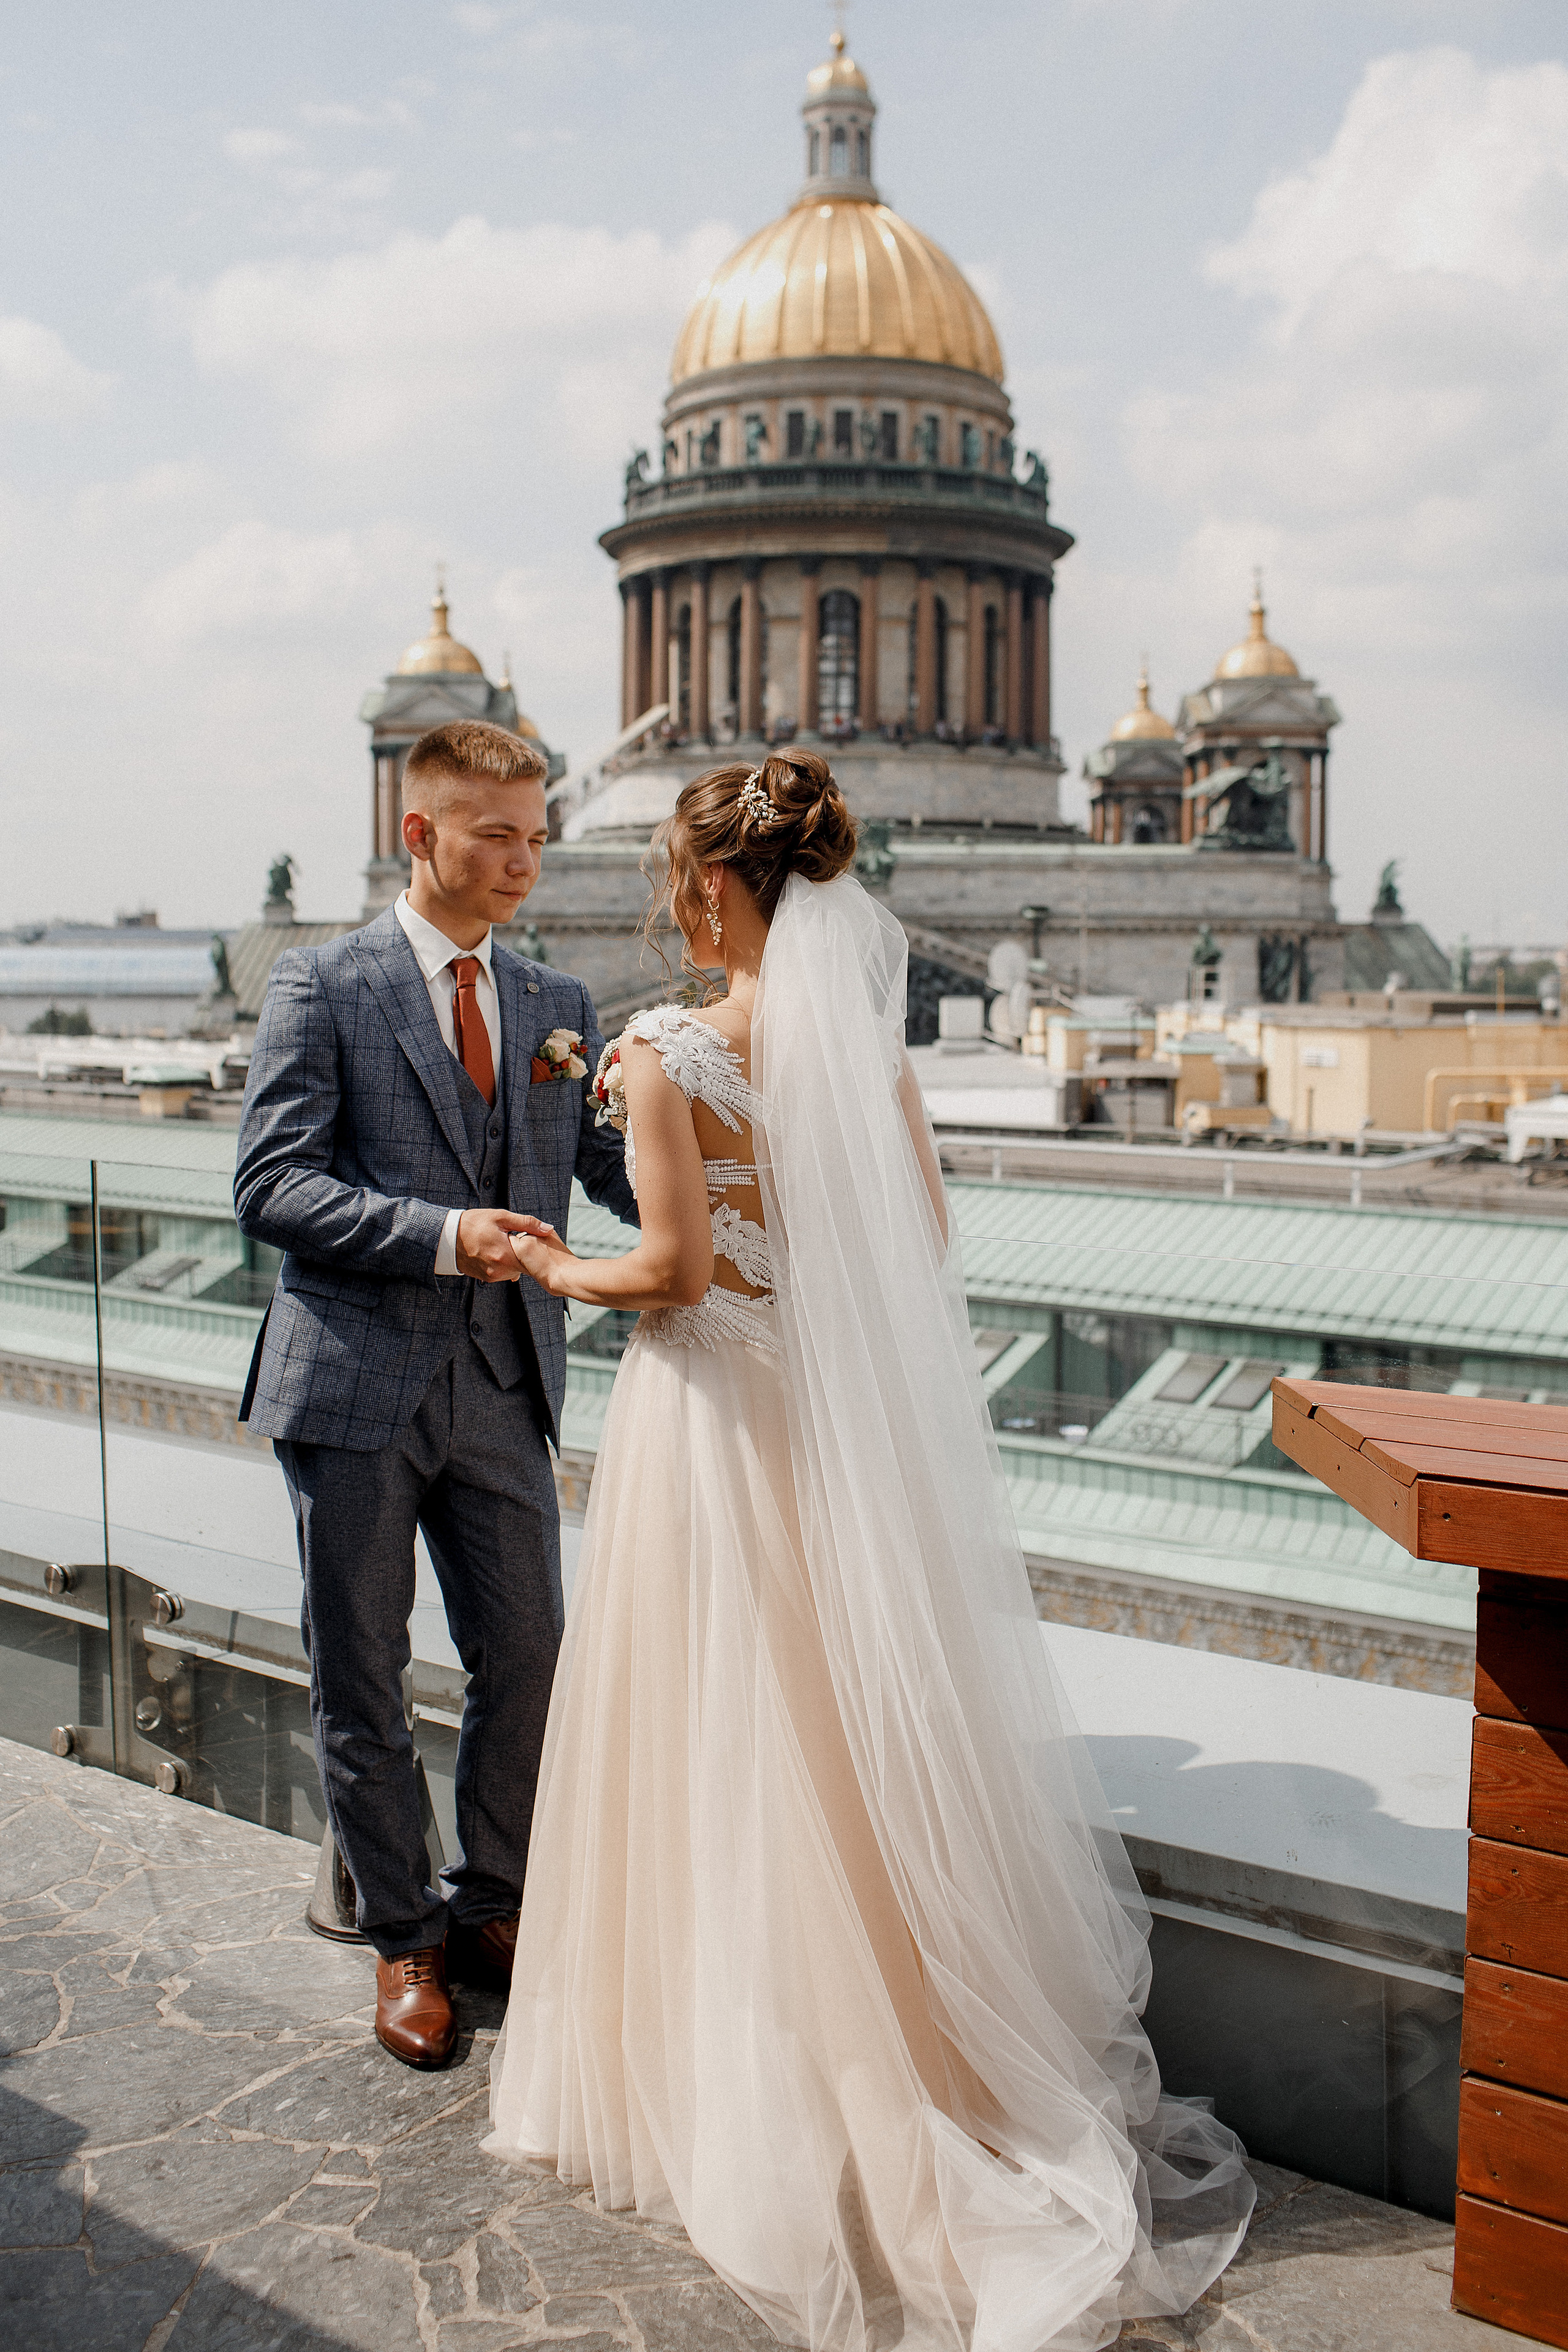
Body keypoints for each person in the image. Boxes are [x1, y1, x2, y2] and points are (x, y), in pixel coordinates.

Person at [486, 748, 1254, 2352]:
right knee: (830, 1746)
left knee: (712, 1744)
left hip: (706, 1438)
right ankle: (896, 2049)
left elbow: (680, 1273)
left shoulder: (667, 1048)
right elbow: (922, 1244)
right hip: (822, 1438)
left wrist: (563, 1270)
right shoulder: (864, 1051)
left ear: (703, 885)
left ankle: (737, 2069)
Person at [234, 718, 636, 2071]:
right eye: (496, 836)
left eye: (537, 836)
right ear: (422, 834)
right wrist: (438, 1234)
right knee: (361, 1670)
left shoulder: (560, 1006)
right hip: (349, 1384)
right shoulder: (320, 984)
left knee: (528, 1660)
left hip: (505, 1382)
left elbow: (612, 1182)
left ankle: (495, 1906)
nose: (525, 862)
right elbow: (270, 1186)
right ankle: (402, 1937)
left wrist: (713, 1134)